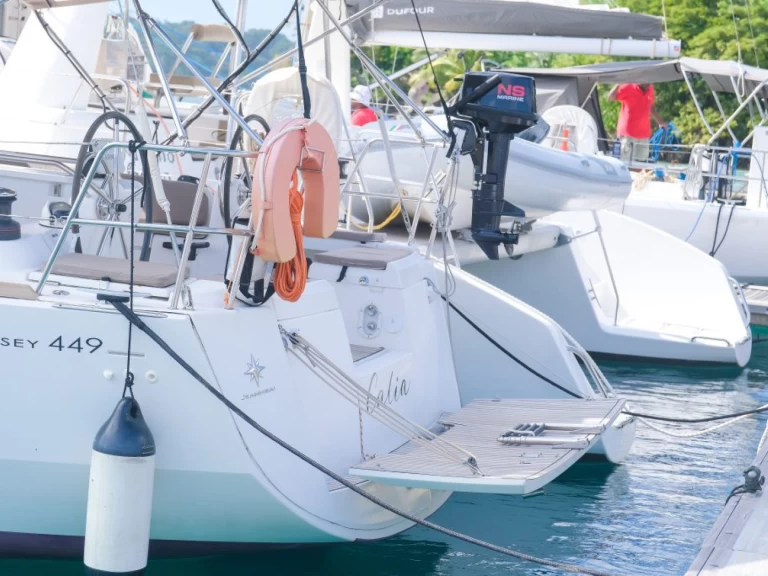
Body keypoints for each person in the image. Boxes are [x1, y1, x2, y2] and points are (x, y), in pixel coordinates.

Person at [608, 83, 666, 163]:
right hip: (627, 135)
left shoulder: (650, 88)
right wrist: (618, 84)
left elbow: (651, 109)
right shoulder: (628, 86)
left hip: (643, 135)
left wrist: (661, 123)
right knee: (624, 163)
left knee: (640, 165)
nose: (647, 83)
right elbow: (610, 97)